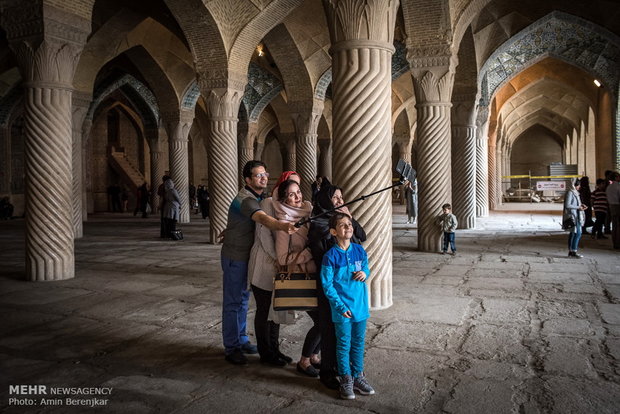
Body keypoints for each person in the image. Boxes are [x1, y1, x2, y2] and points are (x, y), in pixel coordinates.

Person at [220, 160, 297, 365]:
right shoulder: (247, 200)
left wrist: (230, 230)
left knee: (244, 301)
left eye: (265, 174)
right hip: (235, 257)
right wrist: (283, 225)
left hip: (247, 256)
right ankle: (232, 347)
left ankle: (242, 339)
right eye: (258, 175)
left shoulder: (258, 196)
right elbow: (262, 219)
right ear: (247, 180)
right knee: (233, 302)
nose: (263, 178)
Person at [308, 178, 366, 389]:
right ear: (325, 199)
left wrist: (349, 218)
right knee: (329, 329)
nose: (340, 200)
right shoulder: (319, 223)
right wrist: (338, 230)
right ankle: (328, 372)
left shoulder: (344, 222)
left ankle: (349, 372)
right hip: (330, 284)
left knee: (348, 331)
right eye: (335, 198)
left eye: (342, 197)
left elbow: (362, 236)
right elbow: (324, 252)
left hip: (349, 287)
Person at [247, 171, 301, 367]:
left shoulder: (288, 207)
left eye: (298, 187)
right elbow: (265, 236)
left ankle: (275, 349)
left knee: (276, 308)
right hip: (264, 264)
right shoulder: (268, 203)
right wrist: (279, 259)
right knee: (264, 310)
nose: (295, 192)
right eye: (291, 185)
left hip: (280, 267)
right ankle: (265, 352)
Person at [321, 213, 375, 400]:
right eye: (342, 225)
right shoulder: (330, 256)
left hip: (360, 307)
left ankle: (358, 376)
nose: (348, 227)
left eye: (349, 224)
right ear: (334, 231)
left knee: (358, 344)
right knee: (344, 345)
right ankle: (346, 378)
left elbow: (366, 268)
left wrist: (365, 273)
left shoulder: (359, 250)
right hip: (342, 309)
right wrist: (339, 306)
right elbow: (327, 285)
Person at [272, 178, 322, 377]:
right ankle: (304, 360)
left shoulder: (309, 213)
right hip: (303, 276)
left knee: (327, 319)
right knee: (322, 321)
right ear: (284, 199)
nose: (297, 197)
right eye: (291, 194)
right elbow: (283, 259)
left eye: (298, 192)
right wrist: (309, 253)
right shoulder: (285, 223)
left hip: (317, 274)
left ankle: (315, 356)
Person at [564, 178, 587, 258]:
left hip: (577, 214)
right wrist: (578, 207)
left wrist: (581, 205)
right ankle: (573, 251)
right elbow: (567, 205)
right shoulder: (570, 192)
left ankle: (571, 251)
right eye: (578, 185)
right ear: (574, 185)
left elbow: (576, 203)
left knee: (573, 233)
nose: (579, 186)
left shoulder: (575, 192)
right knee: (578, 233)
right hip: (574, 216)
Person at [606, 172, 620, 249]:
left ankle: (615, 243)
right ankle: (618, 243)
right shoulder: (618, 186)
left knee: (614, 226)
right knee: (618, 226)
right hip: (617, 206)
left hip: (611, 206)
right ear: (615, 177)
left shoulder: (609, 187)